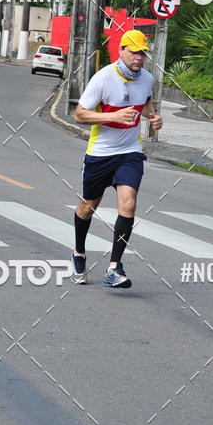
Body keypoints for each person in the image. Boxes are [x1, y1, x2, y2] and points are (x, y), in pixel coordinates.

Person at [71, 30, 163, 289]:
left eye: (143, 53)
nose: (139, 57)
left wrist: (153, 118)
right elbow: (80, 114)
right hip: (100, 154)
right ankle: (79, 254)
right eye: (134, 51)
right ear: (121, 50)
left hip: (130, 153)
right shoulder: (102, 79)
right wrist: (111, 117)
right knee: (88, 206)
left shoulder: (146, 79)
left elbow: (145, 105)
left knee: (129, 204)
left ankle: (114, 268)